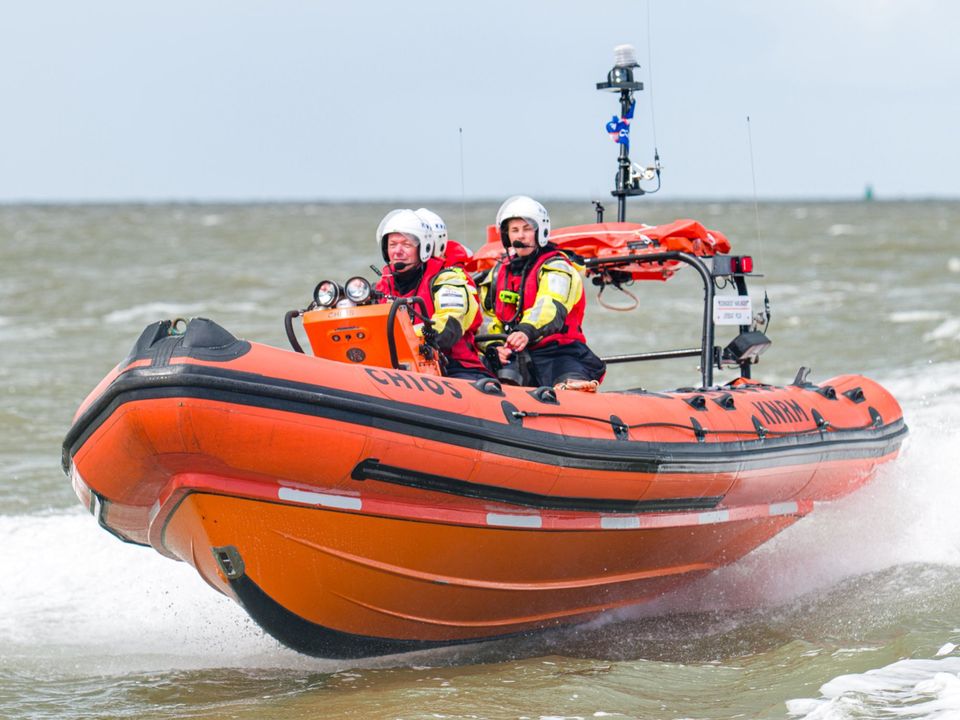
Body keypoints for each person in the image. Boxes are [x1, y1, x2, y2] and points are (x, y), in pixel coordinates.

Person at [480, 196, 605, 391]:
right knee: (488, 372)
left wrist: (525, 330)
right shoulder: (498, 273)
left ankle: (572, 388)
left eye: (527, 229)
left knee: (569, 379)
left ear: (540, 231)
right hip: (515, 354)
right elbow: (488, 320)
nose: (521, 236)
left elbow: (550, 306)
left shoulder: (557, 268)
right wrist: (494, 347)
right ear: (506, 236)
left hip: (558, 351)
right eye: (514, 230)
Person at [374, 208, 490, 381]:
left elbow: (448, 324)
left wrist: (407, 335)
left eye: (406, 245)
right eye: (392, 245)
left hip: (452, 366)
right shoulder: (383, 285)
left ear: (423, 248)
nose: (397, 251)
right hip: (400, 366)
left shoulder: (447, 280)